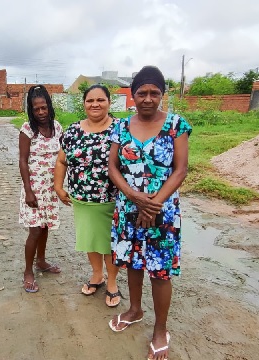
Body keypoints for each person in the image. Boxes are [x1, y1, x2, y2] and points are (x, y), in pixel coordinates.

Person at [107, 65, 192, 360]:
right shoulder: (120, 126)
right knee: (132, 262)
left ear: (162, 95)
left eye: (154, 92)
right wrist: (133, 197)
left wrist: (153, 203)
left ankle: (160, 329)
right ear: (133, 95)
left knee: (160, 270)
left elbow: (180, 170)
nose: (147, 98)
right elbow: (113, 168)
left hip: (163, 211)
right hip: (129, 208)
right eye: (141, 92)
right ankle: (134, 309)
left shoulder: (176, 125)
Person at [54, 84, 121, 307]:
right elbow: (61, 160)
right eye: (90, 100)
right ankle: (96, 275)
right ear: (84, 103)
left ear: (109, 103)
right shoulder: (72, 130)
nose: (95, 104)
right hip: (82, 200)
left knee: (111, 244)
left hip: (112, 199)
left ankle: (112, 282)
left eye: (100, 100)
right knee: (90, 240)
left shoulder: (121, 129)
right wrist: (58, 186)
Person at [19, 85, 63, 293]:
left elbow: (63, 158)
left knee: (45, 227)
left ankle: (41, 261)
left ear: (49, 106)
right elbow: (22, 160)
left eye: (44, 108)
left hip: (51, 188)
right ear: (31, 110)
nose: (41, 113)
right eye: (36, 109)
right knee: (35, 230)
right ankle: (28, 271)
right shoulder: (27, 130)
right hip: (34, 189)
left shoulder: (58, 128)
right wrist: (28, 190)